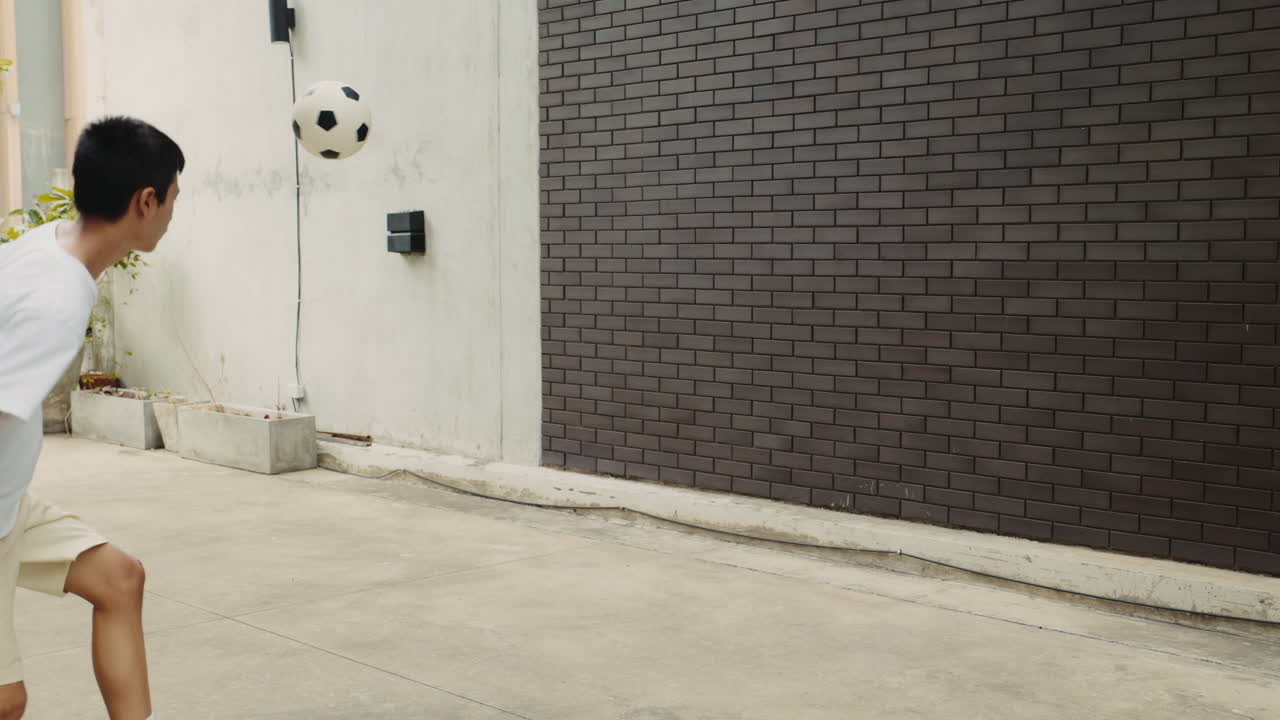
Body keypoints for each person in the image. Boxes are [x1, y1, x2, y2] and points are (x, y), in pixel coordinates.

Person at [0, 116, 183, 720]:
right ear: (146, 200)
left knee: (119, 580)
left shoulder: (48, 243)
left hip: (9, 501)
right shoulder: (58, 296)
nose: (172, 214)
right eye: (173, 198)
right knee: (5, 701)